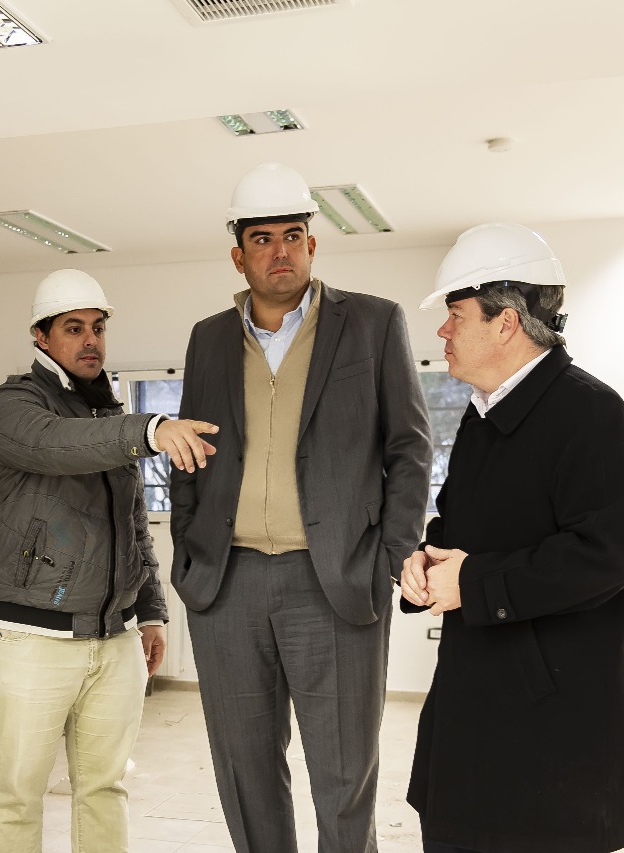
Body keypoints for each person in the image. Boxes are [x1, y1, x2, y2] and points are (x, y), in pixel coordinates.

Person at [170, 162, 432, 853]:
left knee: (344, 776)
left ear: (313, 245)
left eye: (292, 235)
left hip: (335, 580)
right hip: (227, 584)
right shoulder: (208, 339)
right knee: (245, 772)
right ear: (239, 256)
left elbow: (410, 448)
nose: (279, 251)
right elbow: (189, 453)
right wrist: (190, 549)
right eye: (262, 239)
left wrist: (389, 557)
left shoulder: (372, 323)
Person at [399, 222, 624, 853]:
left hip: (555, 737)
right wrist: (424, 563)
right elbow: (461, 529)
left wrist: (472, 582)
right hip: (476, 711)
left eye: (456, 315)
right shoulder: (484, 415)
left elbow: (605, 557)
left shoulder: (593, 414)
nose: (442, 331)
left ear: (505, 322)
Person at [0, 268, 218, 853]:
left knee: (105, 789)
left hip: (115, 637)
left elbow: (133, 524)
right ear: (41, 336)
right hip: (32, 637)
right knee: (17, 795)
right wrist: (150, 429)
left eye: (98, 328)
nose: (90, 340)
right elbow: (55, 445)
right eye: (73, 328)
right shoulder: (13, 405)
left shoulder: (106, 413)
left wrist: (151, 611)